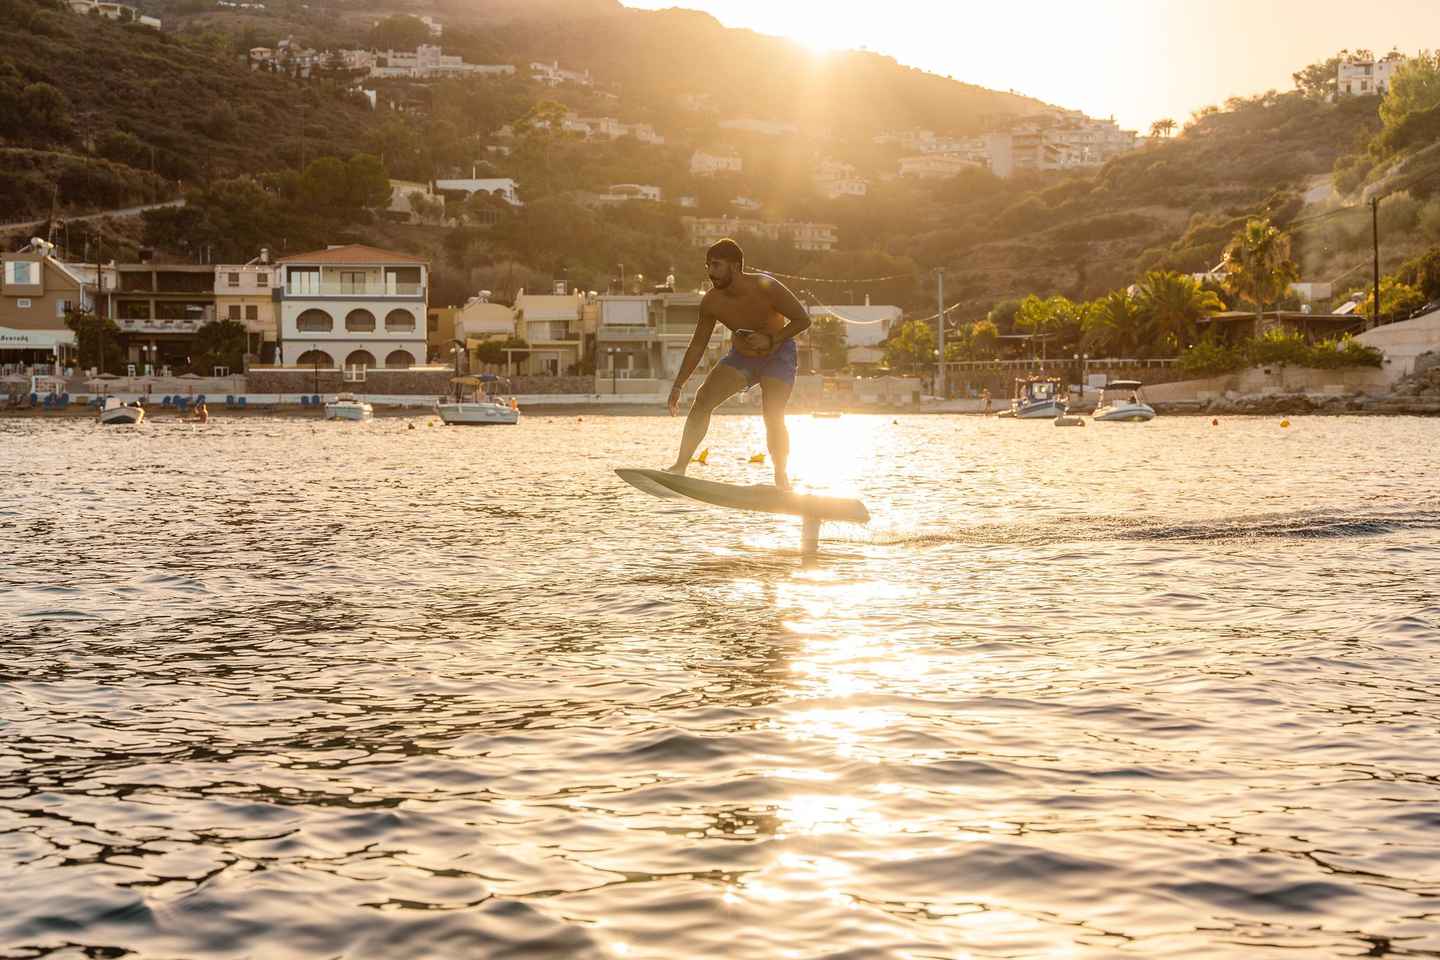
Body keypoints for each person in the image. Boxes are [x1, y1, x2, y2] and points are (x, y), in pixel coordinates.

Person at [667, 238, 811, 490]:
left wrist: (771, 339)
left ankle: (781, 479)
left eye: (716, 265)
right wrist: (678, 385)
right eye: (708, 266)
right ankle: (680, 466)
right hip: (742, 357)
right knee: (702, 400)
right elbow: (697, 345)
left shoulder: (767, 286)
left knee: (773, 415)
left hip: (779, 356)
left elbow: (802, 320)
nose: (711, 272)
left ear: (734, 266)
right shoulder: (712, 302)